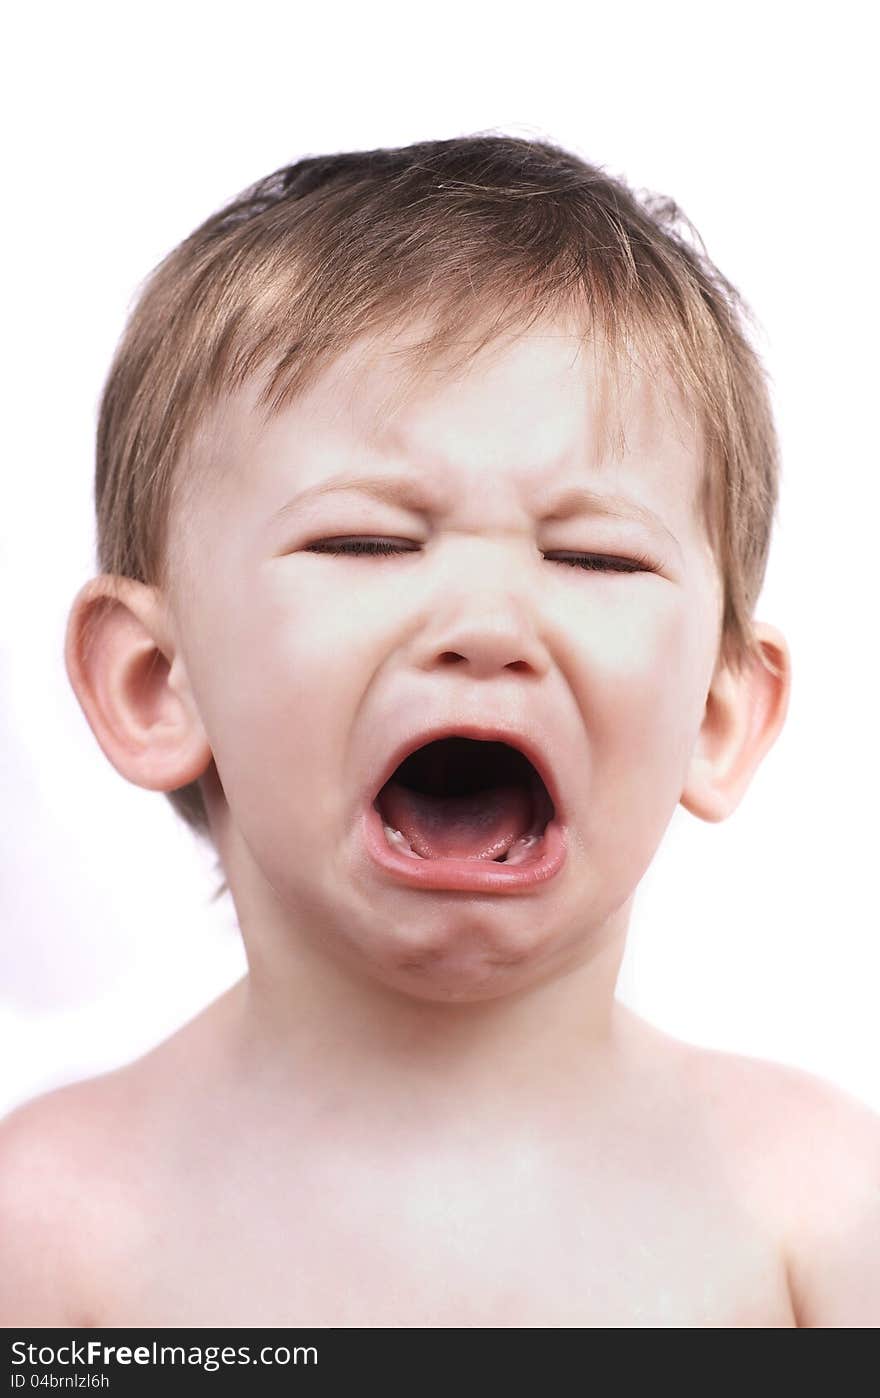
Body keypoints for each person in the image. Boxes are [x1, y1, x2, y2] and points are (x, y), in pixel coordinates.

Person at [2, 135, 877, 1327]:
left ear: (720, 718)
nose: (483, 623)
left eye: (592, 555)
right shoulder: (53, 1227)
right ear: (158, 683)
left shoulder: (812, 1210)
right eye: (366, 542)